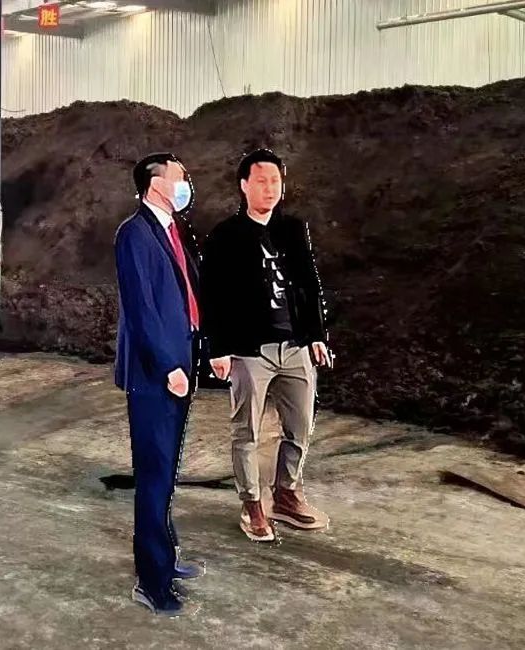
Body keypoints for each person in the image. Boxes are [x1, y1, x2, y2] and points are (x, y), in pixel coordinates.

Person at [200, 148, 333, 543]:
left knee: (300, 426)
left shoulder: (293, 228)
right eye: (261, 181)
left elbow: (309, 284)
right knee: (247, 431)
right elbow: (212, 295)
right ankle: (253, 505)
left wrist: (316, 335)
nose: (270, 188)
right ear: (244, 186)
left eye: (275, 181)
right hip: (248, 350)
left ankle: (287, 495)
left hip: (295, 346)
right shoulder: (225, 235)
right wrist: (217, 348)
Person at [114, 152, 205, 616]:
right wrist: (168, 364)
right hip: (156, 374)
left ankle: (165, 560)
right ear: (155, 185)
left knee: (166, 472)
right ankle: (151, 582)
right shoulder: (134, 234)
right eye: (180, 177)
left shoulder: (172, 229)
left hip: (181, 364)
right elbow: (141, 308)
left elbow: (188, 295)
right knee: (153, 476)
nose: (187, 183)